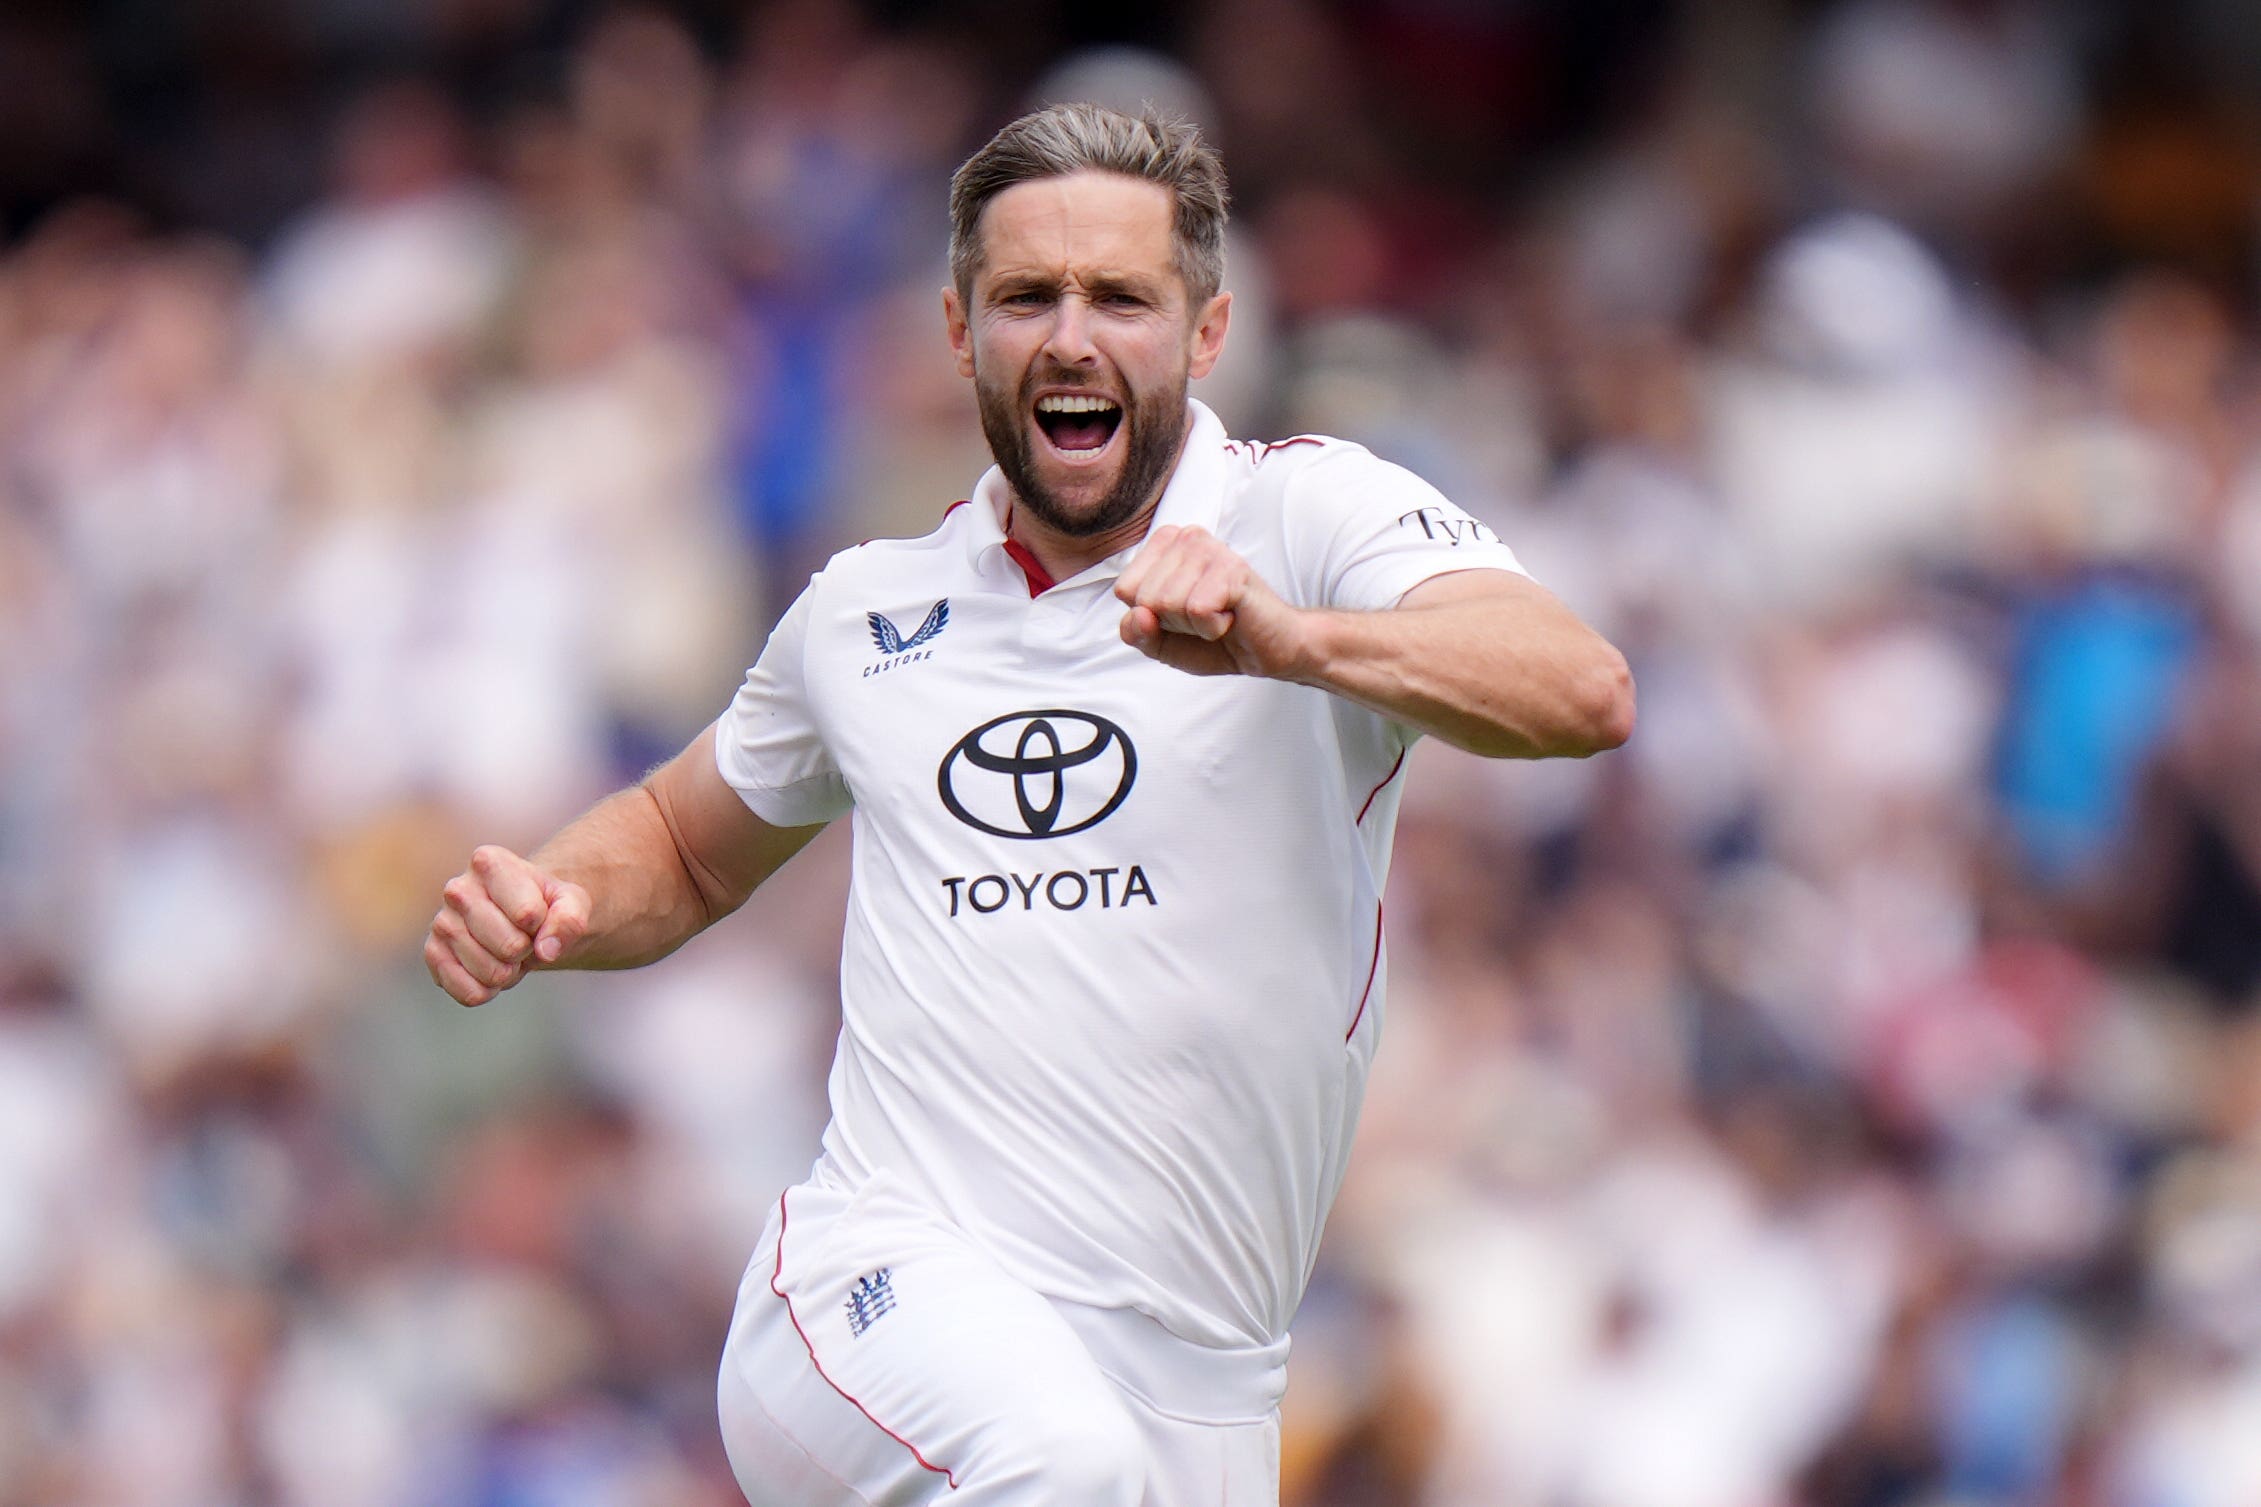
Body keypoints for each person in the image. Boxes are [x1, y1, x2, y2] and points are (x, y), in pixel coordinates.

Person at [424, 102, 1633, 1507]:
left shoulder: (1307, 520)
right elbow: (685, 844)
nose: (1071, 337)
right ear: (960, 333)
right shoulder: (865, 610)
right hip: (876, 1290)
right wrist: (557, 902)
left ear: (1205, 332)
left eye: (1120, 297)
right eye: (1024, 298)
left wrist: (1287, 641)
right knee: (1054, 1466)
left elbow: (1577, 688)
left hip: (1197, 1389)